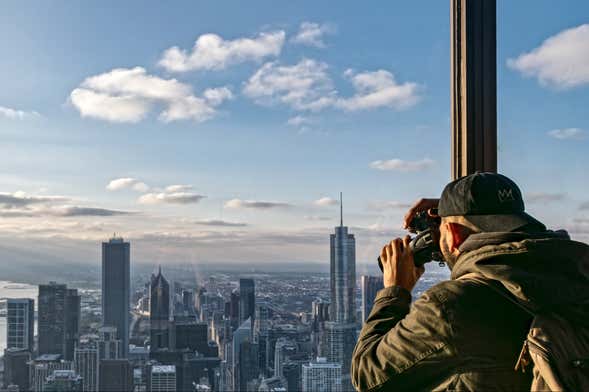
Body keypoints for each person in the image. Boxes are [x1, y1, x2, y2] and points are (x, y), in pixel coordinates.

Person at [351, 172, 589, 391]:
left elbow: (367, 376)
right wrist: (453, 212)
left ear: (453, 235)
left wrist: (395, 290)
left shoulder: (451, 306)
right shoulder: (579, 274)